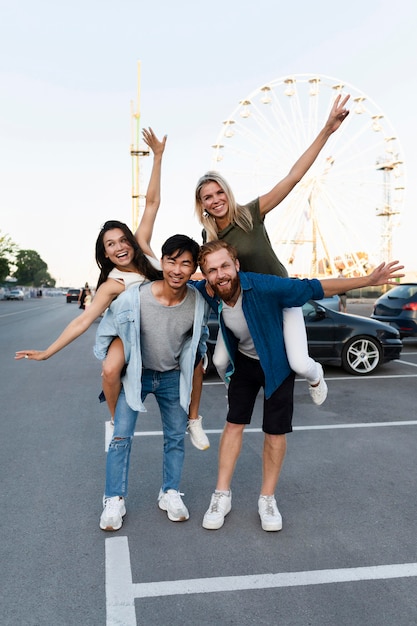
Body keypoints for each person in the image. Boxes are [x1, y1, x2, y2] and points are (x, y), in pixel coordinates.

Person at [194, 240, 404, 532]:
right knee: (233, 425)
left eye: (225, 266)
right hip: (244, 361)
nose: (221, 274)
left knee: (275, 431)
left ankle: (267, 499)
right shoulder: (208, 290)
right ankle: (221, 495)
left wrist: (368, 280)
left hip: (277, 362)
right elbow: (167, 280)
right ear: (205, 275)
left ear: (237, 265)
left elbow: (315, 288)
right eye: (212, 270)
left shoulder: (264, 287)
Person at [195, 94, 351, 406]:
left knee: (298, 363)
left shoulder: (251, 213)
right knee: (222, 361)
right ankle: (236, 387)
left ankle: (317, 374)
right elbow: (213, 273)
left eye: (218, 192)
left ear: (226, 192)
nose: (215, 200)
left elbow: (293, 177)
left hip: (278, 293)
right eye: (207, 198)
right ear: (203, 206)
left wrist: (327, 130)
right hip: (244, 303)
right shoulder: (207, 235)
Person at [95, 235, 210, 531]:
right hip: (137, 375)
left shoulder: (197, 303)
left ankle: (170, 492)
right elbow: (108, 328)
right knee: (120, 437)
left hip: (172, 376)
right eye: (172, 261)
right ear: (161, 261)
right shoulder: (136, 297)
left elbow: (198, 344)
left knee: (175, 437)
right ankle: (114, 499)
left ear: (193, 267)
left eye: (186, 263)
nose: (177, 269)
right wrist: (113, 361)